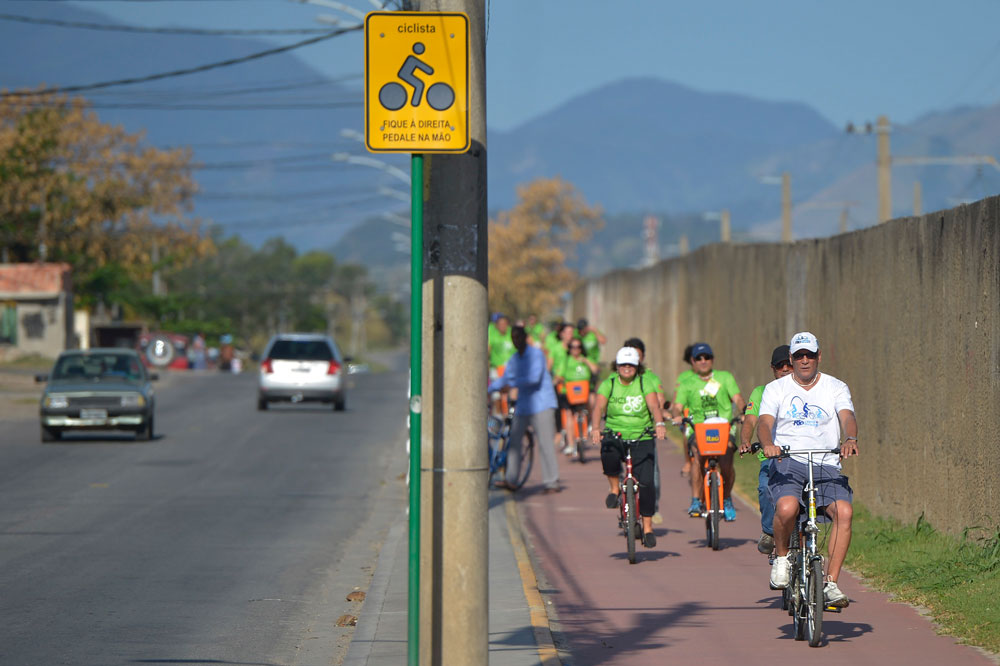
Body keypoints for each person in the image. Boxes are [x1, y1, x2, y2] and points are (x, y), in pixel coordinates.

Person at [759, 332, 858, 607]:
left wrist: (851, 439)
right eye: (799, 356)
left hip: (826, 462)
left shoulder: (835, 387)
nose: (805, 360)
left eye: (810, 355)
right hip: (789, 461)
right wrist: (768, 444)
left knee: (845, 512)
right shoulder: (776, 389)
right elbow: (765, 423)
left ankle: (830, 583)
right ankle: (781, 559)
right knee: (788, 508)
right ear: (791, 359)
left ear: (818, 357)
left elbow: (847, 416)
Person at [590, 347, 668, 547]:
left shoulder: (645, 383)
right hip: (615, 433)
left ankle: (648, 528)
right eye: (623, 364)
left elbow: (654, 407)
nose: (626, 368)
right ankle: (615, 489)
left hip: (642, 435)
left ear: (637, 367)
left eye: (631, 365)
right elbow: (599, 407)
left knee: (648, 482)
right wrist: (596, 428)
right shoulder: (609, 384)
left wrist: (659, 425)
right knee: (607, 451)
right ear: (616, 366)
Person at [671, 342, 745, 520]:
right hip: (699, 428)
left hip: (724, 428)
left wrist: (743, 411)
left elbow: (738, 398)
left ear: (712, 359)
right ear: (693, 361)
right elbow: (677, 406)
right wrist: (677, 416)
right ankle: (696, 500)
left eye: (707, 357)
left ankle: (727, 499)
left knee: (727, 463)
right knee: (697, 457)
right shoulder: (687, 383)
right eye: (699, 358)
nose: (703, 361)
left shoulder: (724, 377)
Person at [487, 326, 562, 493]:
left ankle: (552, 482)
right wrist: (488, 390)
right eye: (513, 338)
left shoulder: (536, 354)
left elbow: (534, 378)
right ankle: (511, 479)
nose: (516, 341)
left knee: (545, 443)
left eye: (518, 337)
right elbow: (504, 378)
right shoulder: (514, 359)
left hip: (542, 404)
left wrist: (512, 384)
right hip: (524, 404)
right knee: (514, 440)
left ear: (525, 337)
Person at [738, 344, 793, 554]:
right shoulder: (762, 392)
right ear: (773, 368)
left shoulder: (805, 391)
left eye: (789, 364)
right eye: (781, 366)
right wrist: (745, 440)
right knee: (765, 488)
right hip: (771, 457)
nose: (786, 369)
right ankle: (769, 531)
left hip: (797, 456)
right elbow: (751, 421)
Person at [622, 337, 667, 524]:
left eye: (637, 355)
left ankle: (652, 508)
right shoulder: (618, 378)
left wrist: (658, 418)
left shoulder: (650, 378)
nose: (633, 359)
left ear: (642, 357)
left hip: (644, 432)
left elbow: (660, 400)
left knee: (651, 472)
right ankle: (624, 502)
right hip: (623, 431)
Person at [553, 336, 598, 456]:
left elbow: (595, 370)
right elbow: (559, 375)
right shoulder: (566, 360)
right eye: (573, 347)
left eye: (578, 347)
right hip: (569, 392)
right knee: (569, 415)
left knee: (590, 404)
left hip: (584, 391)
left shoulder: (585, 359)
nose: (576, 350)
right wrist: (558, 381)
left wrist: (586, 361)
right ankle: (571, 444)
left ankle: (585, 429)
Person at [673, 344, 696, 479]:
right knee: (687, 434)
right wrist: (676, 412)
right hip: (688, 410)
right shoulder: (684, 377)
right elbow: (677, 398)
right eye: (697, 358)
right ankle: (688, 462)